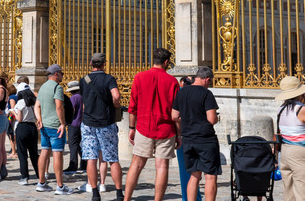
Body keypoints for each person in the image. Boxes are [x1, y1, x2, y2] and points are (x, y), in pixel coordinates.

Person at [125, 48, 180, 201]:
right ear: (167, 62)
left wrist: (131, 128)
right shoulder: (172, 81)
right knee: (162, 166)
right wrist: (179, 134)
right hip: (166, 128)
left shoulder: (140, 77)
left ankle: (127, 198)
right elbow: (176, 112)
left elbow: (132, 107)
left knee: (136, 165)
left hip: (143, 126)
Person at [80, 53, 124, 201]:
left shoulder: (84, 80)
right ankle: (118, 193)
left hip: (88, 123)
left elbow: (83, 101)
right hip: (106, 122)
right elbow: (116, 96)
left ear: (91, 64)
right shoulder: (109, 79)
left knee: (91, 158)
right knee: (112, 158)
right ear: (104, 64)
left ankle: (95, 193)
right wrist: (116, 105)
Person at [172, 67, 219, 201]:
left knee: (194, 176)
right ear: (207, 79)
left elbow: (174, 115)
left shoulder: (181, 93)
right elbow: (211, 119)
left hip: (188, 138)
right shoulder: (206, 94)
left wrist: (187, 119)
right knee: (210, 176)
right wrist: (216, 118)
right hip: (206, 139)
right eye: (209, 82)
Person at [35, 64, 73, 194]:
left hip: (44, 125)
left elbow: (37, 106)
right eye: (61, 73)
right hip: (56, 126)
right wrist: (62, 123)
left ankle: (41, 182)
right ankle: (60, 186)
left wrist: (39, 119)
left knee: (44, 152)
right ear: (56, 74)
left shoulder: (43, 87)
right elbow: (59, 106)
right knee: (58, 154)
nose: (62, 76)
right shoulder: (57, 88)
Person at [276, 75, 305, 200]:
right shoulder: (301, 109)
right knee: (302, 188)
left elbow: (278, 132)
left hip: (285, 151)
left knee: (288, 190)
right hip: (299, 151)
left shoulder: (281, 109)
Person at [14, 82, 39, 185]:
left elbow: (19, 119)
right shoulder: (35, 102)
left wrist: (13, 113)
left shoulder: (20, 102)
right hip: (33, 127)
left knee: (22, 153)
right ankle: (40, 174)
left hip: (22, 127)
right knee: (34, 153)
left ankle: (24, 177)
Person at [64, 80, 85, 174]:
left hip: (73, 123)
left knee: (73, 145)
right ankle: (84, 164)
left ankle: (73, 165)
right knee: (80, 145)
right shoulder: (83, 97)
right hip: (82, 123)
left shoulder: (73, 98)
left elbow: (71, 110)